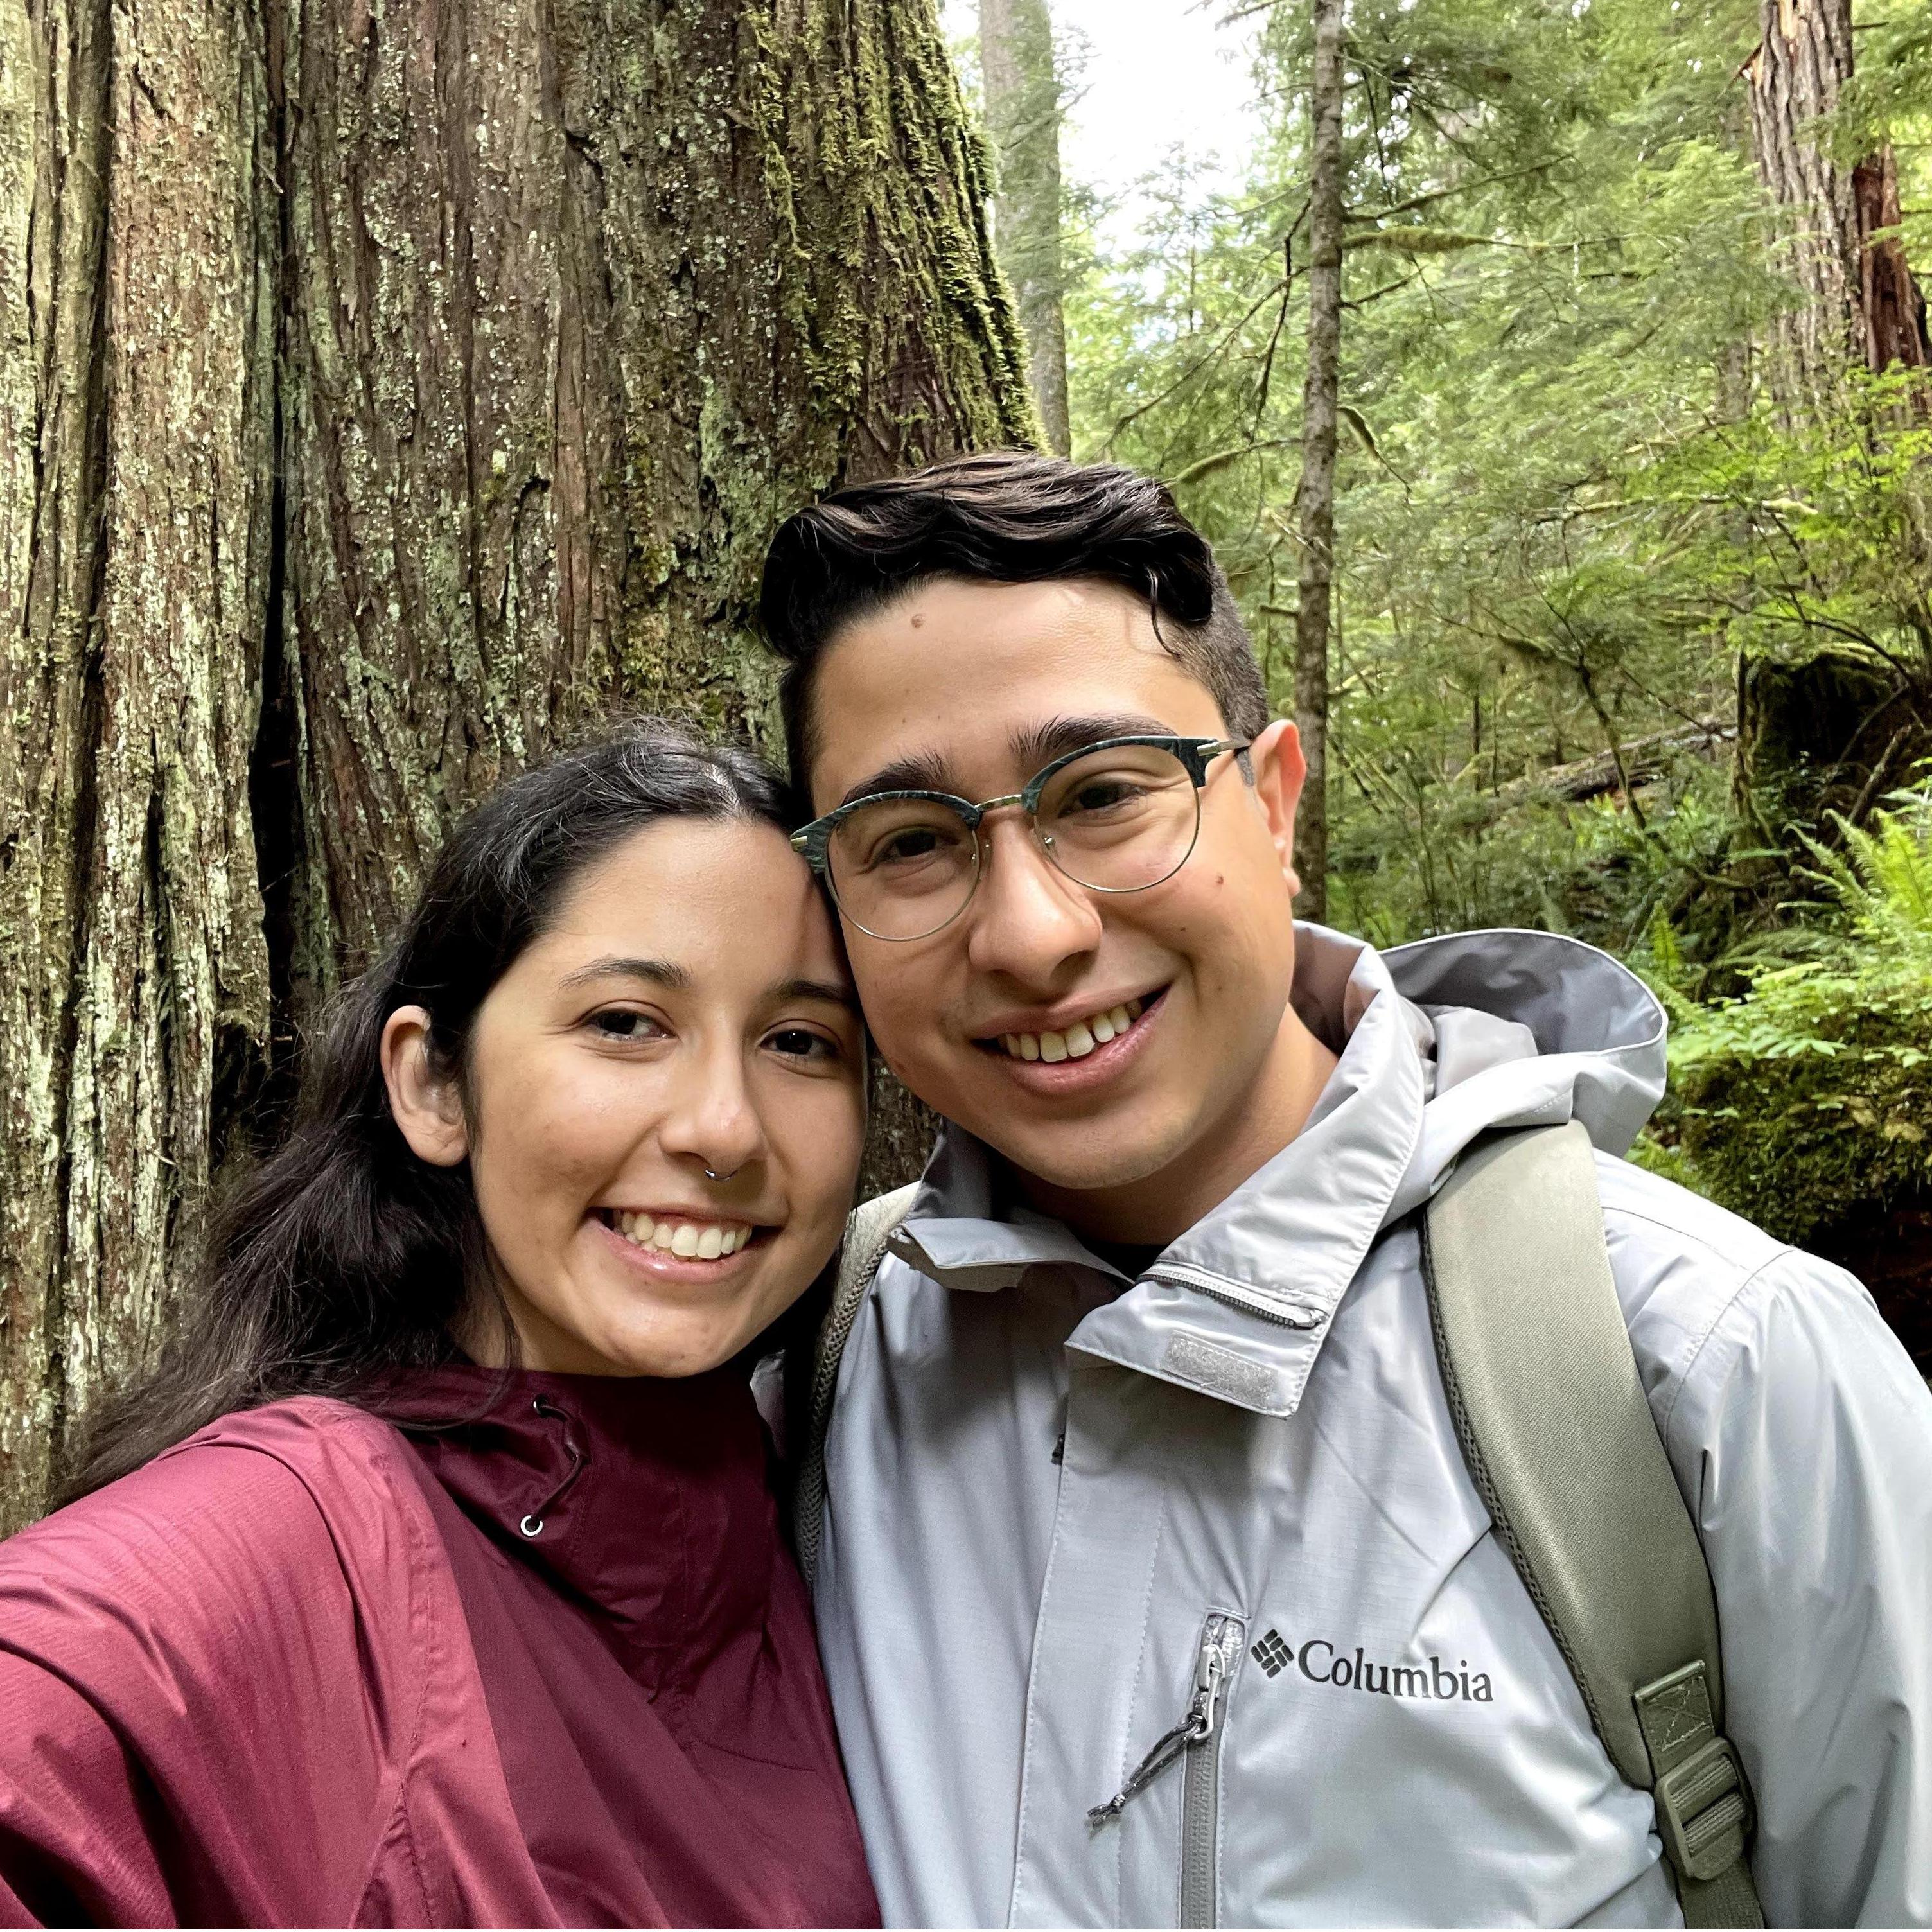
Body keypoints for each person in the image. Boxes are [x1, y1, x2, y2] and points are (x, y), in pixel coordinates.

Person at [759, 452, 1932, 1928]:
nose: (1031, 934)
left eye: (1107, 795)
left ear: (1272, 799)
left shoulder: (1706, 1360)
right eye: (913, 842)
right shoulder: (826, 1358)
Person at [0, 723, 880, 1929]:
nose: (724, 1129)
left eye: (800, 1042)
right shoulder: (305, 1531)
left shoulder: (836, 1543)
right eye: (625, 1022)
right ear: (432, 1085)